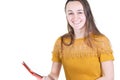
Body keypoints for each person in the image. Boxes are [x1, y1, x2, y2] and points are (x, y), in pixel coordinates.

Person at [33, 0, 114, 80]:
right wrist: (47, 78)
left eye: (80, 12)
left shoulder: (101, 41)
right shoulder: (60, 42)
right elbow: (54, 75)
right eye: (70, 13)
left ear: (87, 14)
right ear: (66, 16)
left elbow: (109, 77)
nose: (75, 17)